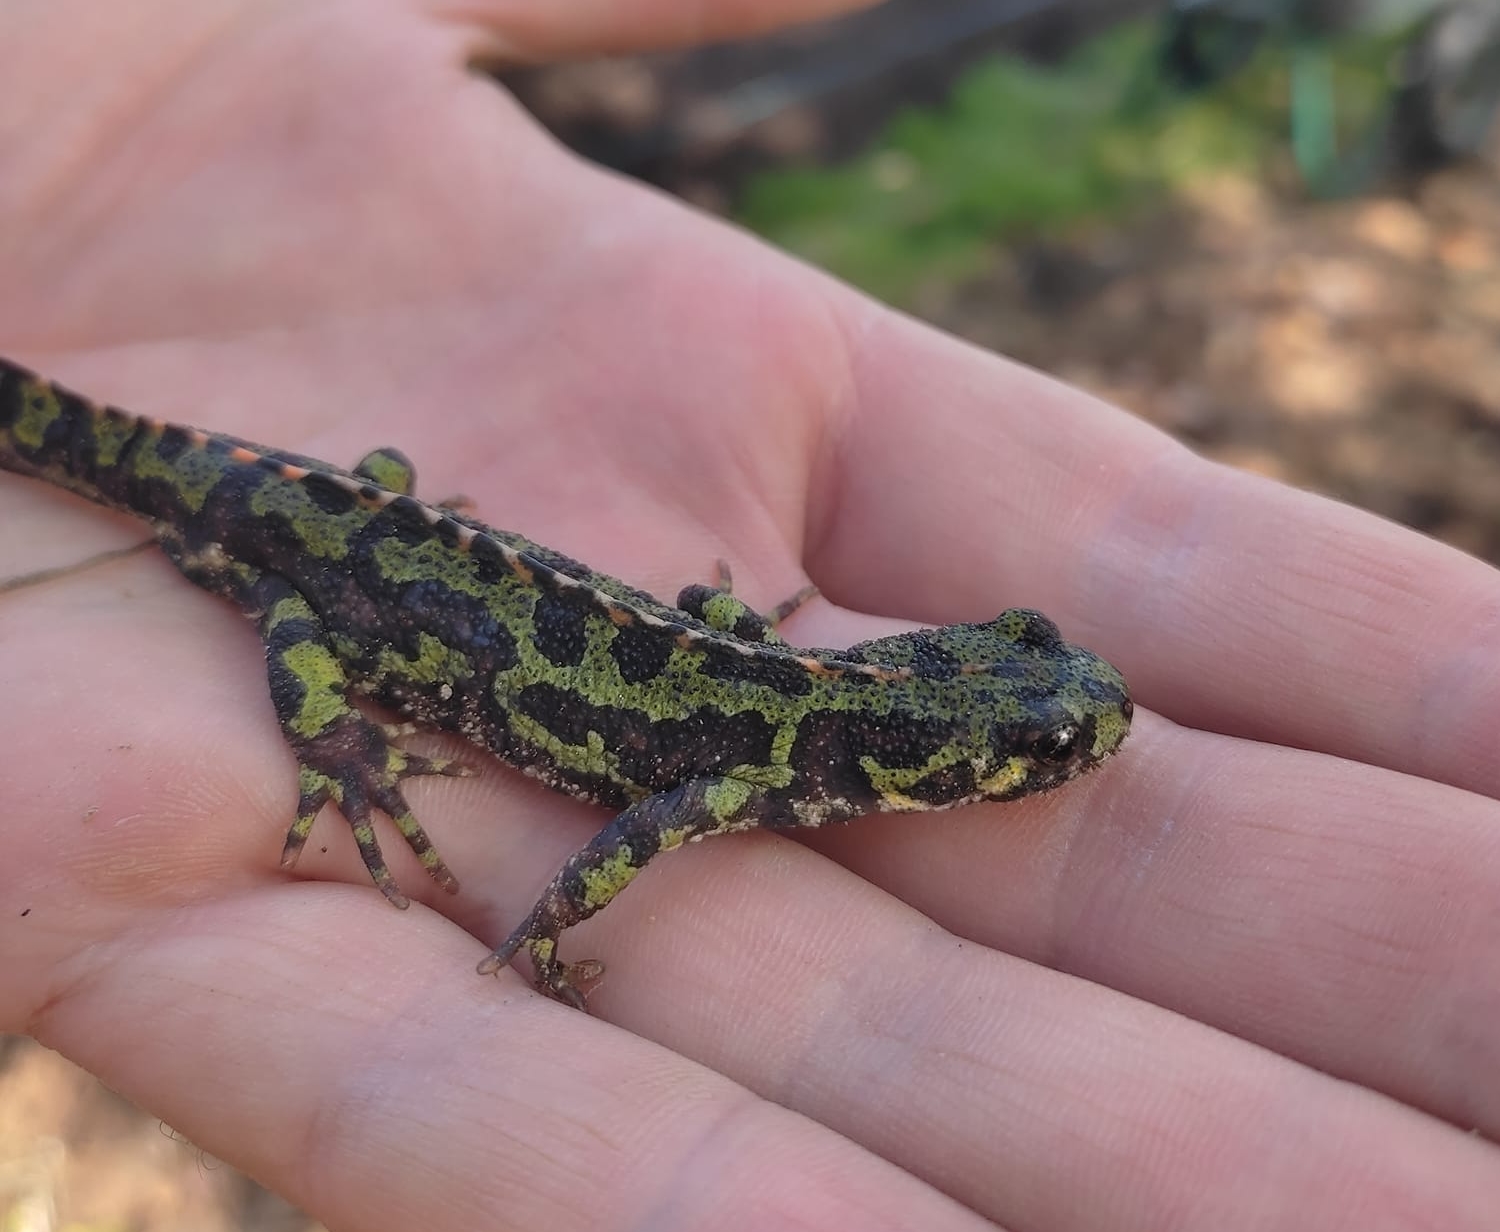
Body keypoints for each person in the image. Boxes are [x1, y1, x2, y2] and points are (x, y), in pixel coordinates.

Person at [1, 3, 1495, 1228]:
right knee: (305, 616)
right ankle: (329, 724)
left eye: (1039, 730)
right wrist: (536, 928)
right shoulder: (753, 763)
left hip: (354, 523)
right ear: (918, 735)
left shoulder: (779, 719)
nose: (1068, 734)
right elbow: (623, 835)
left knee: (366, 504)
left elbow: (689, 661)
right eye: (1035, 736)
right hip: (306, 555)